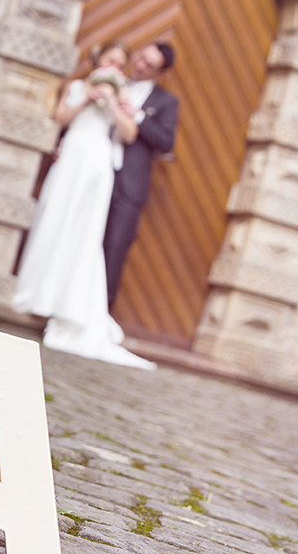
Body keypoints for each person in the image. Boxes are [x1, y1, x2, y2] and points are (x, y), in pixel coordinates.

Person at [13, 41, 155, 370]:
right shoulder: (77, 86)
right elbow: (61, 116)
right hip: (73, 155)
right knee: (54, 218)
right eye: (110, 60)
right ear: (98, 60)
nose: (114, 67)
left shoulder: (123, 97)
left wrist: (115, 106)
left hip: (97, 165)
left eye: (120, 64)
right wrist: (87, 96)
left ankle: (68, 298)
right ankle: (36, 291)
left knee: (84, 230)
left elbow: (130, 134)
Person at [104, 42, 180, 307]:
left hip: (129, 185)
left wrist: (138, 118)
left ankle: (101, 309)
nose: (140, 65)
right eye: (140, 58)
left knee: (114, 246)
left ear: (161, 72)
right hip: (96, 169)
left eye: (149, 65)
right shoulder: (114, 81)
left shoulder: (166, 102)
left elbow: (166, 142)